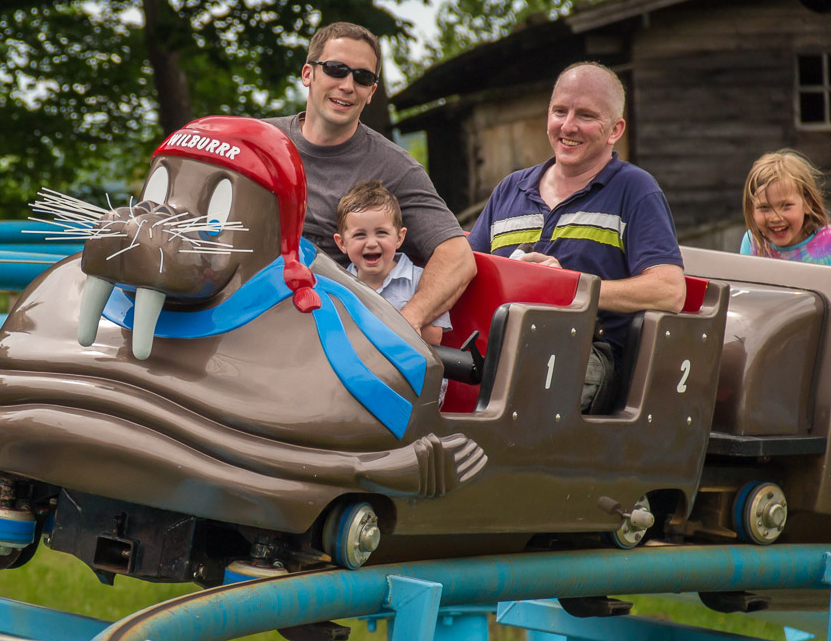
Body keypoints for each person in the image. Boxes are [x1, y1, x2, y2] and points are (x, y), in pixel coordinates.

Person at [468, 62, 686, 414]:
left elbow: (670, 291)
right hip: (496, 348)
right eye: (559, 111)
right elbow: (466, 269)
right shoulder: (509, 189)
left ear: (615, 130)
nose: (568, 126)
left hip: (585, 354)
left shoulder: (635, 190)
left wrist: (571, 287)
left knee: (530, 391)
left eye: (585, 115)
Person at [266, 21, 475, 338]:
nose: (348, 85)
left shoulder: (396, 168)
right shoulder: (258, 141)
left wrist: (402, 325)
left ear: (371, 92)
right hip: (244, 309)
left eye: (362, 77)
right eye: (336, 70)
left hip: (320, 329)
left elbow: (458, 257)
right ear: (308, 74)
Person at [335, 180, 451, 405]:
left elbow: (434, 336)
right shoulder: (339, 283)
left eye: (381, 233)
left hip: (414, 385)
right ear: (342, 243)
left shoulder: (420, 280)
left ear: (399, 237)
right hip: (359, 382)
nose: (371, 243)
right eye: (360, 235)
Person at [740, 149, 831, 265]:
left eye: (786, 206)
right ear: (752, 210)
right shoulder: (753, 242)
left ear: (807, 204)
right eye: (764, 207)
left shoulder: (828, 241)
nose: (775, 217)